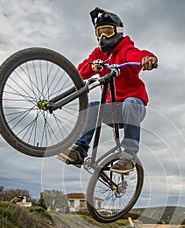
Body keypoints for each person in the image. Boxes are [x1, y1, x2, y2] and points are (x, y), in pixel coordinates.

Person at [59, 7, 158, 174]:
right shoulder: (99, 53)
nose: (103, 37)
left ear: (117, 32)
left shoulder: (125, 49)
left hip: (133, 108)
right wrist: (93, 65)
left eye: (107, 32)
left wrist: (148, 59)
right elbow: (81, 71)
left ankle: (128, 156)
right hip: (112, 111)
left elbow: (138, 54)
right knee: (93, 106)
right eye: (99, 33)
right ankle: (80, 150)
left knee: (130, 102)